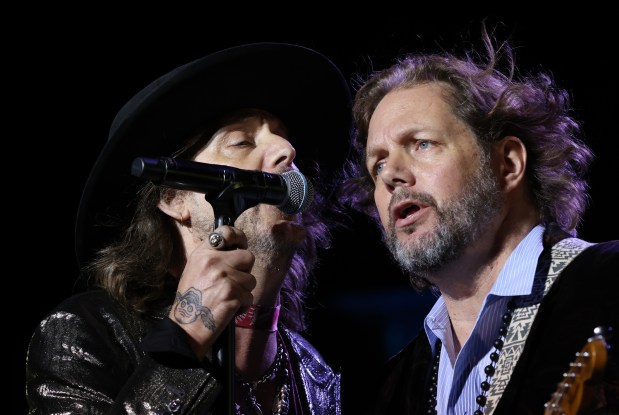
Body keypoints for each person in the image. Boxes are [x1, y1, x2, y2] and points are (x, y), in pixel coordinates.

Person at [26, 42, 352, 414]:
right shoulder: (88, 334)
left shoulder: (314, 371)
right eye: (242, 142)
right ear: (175, 199)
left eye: (284, 137)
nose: (286, 150)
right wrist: (186, 337)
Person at [337, 24, 618, 414]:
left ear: (508, 162)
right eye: (377, 163)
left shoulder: (608, 285)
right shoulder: (389, 390)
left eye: (421, 144)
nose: (389, 175)